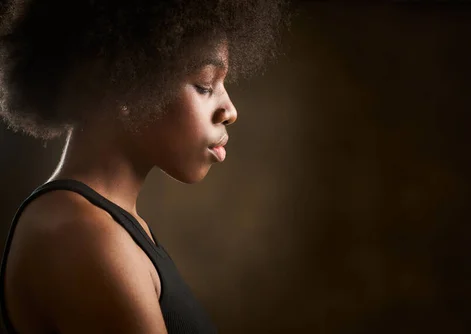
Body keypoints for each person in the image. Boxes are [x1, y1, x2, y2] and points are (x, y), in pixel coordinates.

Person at [0, 0, 289, 333]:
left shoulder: (111, 226)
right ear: (126, 84)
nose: (230, 110)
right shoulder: (82, 235)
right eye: (205, 85)